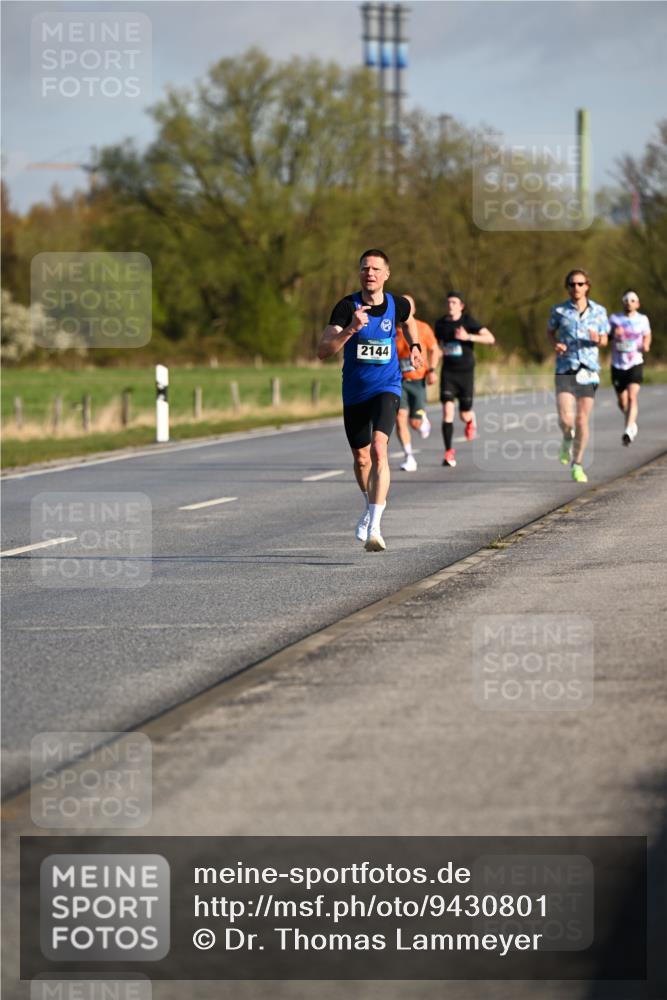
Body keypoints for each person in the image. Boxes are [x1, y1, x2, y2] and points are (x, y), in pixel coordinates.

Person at [317, 249, 420, 551]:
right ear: (359, 273)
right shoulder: (346, 306)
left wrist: (414, 345)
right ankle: (368, 505)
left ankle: (375, 525)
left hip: (387, 386)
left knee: (379, 449)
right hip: (355, 393)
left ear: (386, 274)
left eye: (375, 269)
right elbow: (323, 351)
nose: (369, 273)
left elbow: (409, 319)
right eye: (364, 269)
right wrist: (351, 328)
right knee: (361, 458)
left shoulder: (396, 304)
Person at [547, 268, 609, 483]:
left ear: (587, 286)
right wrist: (556, 344)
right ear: (568, 287)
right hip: (565, 367)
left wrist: (597, 339)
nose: (576, 288)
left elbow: (605, 340)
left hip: (589, 371)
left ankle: (578, 464)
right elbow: (550, 332)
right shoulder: (559, 311)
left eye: (580, 284)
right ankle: (566, 437)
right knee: (566, 419)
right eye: (572, 284)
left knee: (582, 419)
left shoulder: (599, 311)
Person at [434, 291, 495, 467]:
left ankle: (470, 420)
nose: (450, 305)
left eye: (454, 302)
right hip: (448, 373)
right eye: (448, 302)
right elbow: (438, 347)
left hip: (466, 373)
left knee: (464, 413)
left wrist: (468, 336)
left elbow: (490, 338)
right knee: (447, 411)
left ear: (461, 306)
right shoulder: (440, 324)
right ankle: (448, 452)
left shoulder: (468, 321)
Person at [395, 295, 440, 471]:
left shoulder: (423, 328)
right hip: (399, 381)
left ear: (413, 310)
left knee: (415, 423)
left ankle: (422, 421)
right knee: (400, 418)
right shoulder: (391, 329)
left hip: (418, 381)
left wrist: (433, 370)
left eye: (408, 307)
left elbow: (434, 349)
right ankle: (409, 457)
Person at [608, 290, 651, 445]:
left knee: (633, 396)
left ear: (637, 304)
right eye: (626, 300)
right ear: (622, 302)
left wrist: (646, 344)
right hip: (618, 364)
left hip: (635, 362)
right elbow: (605, 338)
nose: (629, 303)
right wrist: (613, 334)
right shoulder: (614, 319)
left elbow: (647, 334)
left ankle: (627, 430)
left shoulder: (642, 319)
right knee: (622, 401)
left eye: (632, 300)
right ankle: (631, 421)